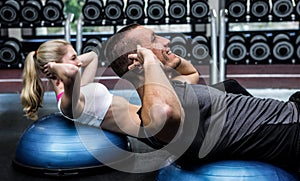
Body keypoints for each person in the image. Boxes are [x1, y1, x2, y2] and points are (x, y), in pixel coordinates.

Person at [105, 24, 300, 171]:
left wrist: (170, 59)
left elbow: (191, 74)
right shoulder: (158, 110)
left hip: (290, 113)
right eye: (155, 39)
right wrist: (149, 62)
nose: (166, 41)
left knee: (229, 85)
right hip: (294, 127)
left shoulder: (172, 91)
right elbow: (164, 113)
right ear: (136, 62)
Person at [20, 38, 201, 138]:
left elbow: (92, 57)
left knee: (192, 77)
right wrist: (53, 67)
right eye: (74, 57)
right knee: (190, 82)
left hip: (147, 113)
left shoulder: (78, 90)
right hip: (152, 128)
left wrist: (72, 60)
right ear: (56, 66)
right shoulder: (68, 103)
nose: (79, 62)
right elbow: (71, 73)